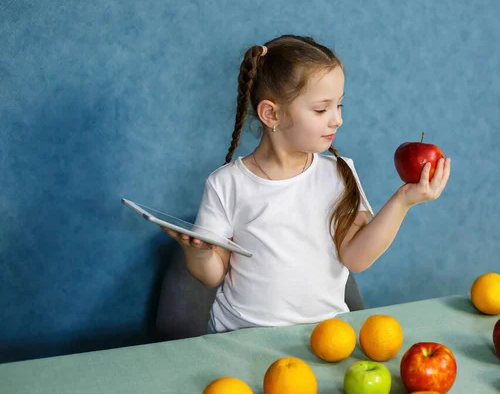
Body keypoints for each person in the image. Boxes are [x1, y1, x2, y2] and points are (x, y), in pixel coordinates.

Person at [161, 34, 451, 334]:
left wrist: (403, 200)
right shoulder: (226, 184)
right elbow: (211, 275)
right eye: (321, 109)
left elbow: (356, 257)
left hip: (325, 337)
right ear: (271, 114)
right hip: (241, 336)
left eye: (339, 106)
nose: (336, 119)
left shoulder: (340, 173)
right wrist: (198, 254)